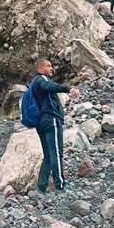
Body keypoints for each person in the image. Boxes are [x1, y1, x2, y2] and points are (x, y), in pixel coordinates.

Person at [31, 58, 80, 192]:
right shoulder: (42, 79)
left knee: (48, 155)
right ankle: (60, 185)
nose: (52, 68)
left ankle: (41, 187)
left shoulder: (33, 83)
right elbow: (49, 86)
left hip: (40, 123)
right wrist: (68, 88)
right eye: (49, 66)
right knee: (56, 153)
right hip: (51, 119)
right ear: (40, 68)